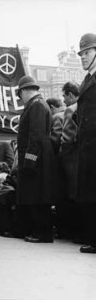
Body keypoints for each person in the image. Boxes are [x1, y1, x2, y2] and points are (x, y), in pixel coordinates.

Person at [15, 75, 55, 243]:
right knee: (36, 195)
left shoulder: (36, 106)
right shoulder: (37, 104)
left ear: (24, 91)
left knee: (38, 196)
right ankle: (38, 231)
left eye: (20, 95)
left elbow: (36, 136)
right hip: (39, 158)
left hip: (37, 159)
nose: (20, 98)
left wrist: (29, 160)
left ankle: (43, 233)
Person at [75, 33, 96, 253]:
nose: (83, 57)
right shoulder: (88, 79)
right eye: (81, 53)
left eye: (87, 52)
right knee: (90, 194)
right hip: (88, 146)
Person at [56, 81, 82, 241]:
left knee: (72, 196)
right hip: (85, 159)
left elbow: (66, 139)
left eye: (64, 96)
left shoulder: (70, 110)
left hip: (72, 161)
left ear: (71, 95)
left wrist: (60, 157)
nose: (64, 101)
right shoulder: (88, 107)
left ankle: (75, 233)